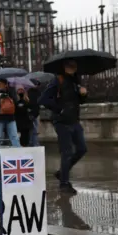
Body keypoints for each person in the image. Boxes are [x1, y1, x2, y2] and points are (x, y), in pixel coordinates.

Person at [38, 59, 87, 195]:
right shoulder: (57, 80)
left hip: (74, 120)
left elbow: (79, 100)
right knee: (67, 152)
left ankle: (62, 172)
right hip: (61, 122)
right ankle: (64, 184)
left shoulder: (76, 81)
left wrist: (83, 94)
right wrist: (59, 109)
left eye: (74, 65)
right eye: (69, 65)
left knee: (82, 148)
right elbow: (43, 99)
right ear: (64, 67)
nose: (72, 67)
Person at [0, 79, 21, 147]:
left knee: (14, 136)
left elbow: (16, 102)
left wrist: (8, 96)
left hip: (10, 117)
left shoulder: (11, 92)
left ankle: (18, 152)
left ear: (6, 85)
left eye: (1, 84)